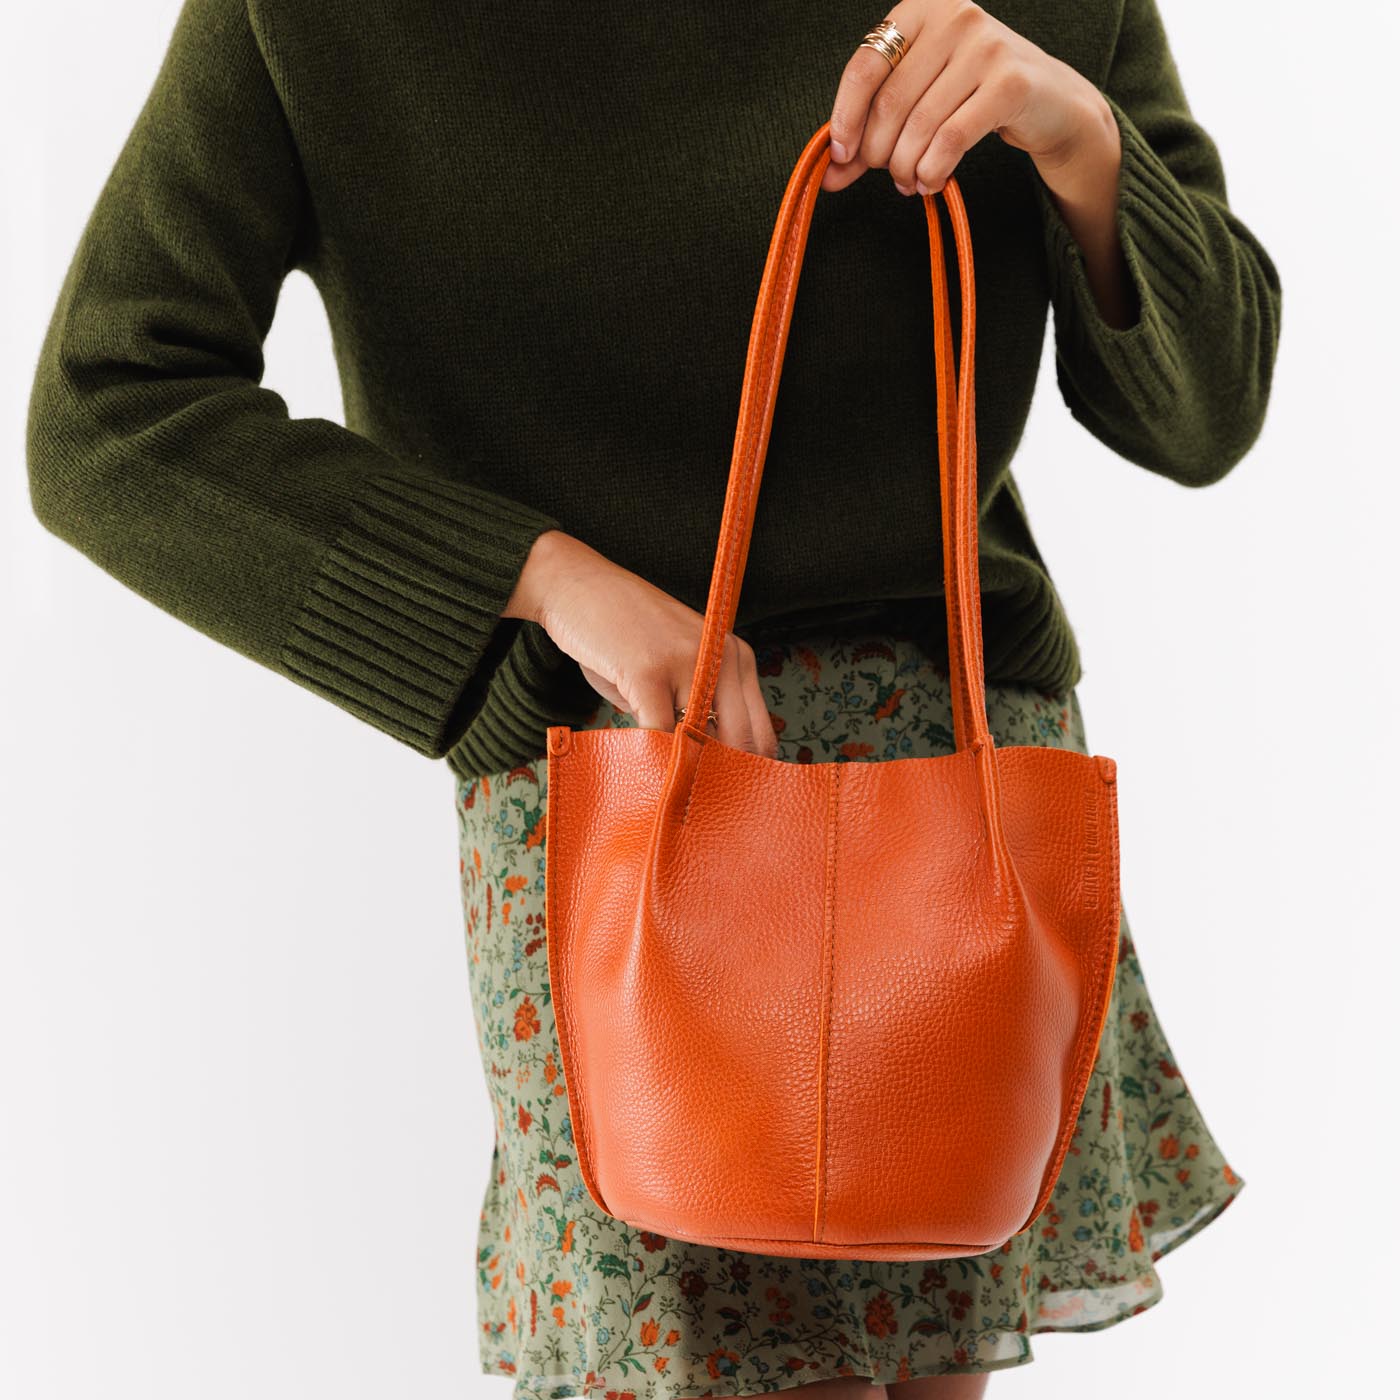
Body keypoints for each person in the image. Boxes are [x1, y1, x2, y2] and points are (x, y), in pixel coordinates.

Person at [26, 1, 1281, 1396]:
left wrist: (1081, 141)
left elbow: (1208, 410)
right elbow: (109, 409)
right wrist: (540, 578)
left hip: (953, 782)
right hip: (622, 799)